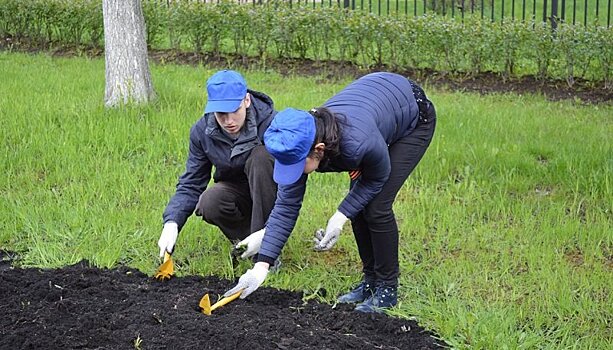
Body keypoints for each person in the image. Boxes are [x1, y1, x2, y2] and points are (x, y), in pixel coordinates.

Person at [224, 72, 436, 313]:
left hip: (413, 114)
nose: (293, 172)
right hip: (374, 106)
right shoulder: (297, 141)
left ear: (319, 149)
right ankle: (369, 282)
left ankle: (387, 288)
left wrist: (340, 216)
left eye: (296, 166)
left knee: (376, 207)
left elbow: (378, 176)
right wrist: (261, 267)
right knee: (359, 208)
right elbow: (286, 207)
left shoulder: (355, 145)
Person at [158, 70, 278, 262]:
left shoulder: (272, 124)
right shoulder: (201, 132)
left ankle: (269, 247)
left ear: (246, 101)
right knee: (209, 202)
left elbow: (293, 175)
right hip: (237, 190)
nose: (229, 121)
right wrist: (172, 223)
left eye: (235, 111)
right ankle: (248, 243)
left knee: (261, 157)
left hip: (269, 189)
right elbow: (192, 182)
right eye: (221, 113)